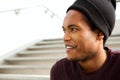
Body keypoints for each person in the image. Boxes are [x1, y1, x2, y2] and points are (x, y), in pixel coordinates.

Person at [50, 0, 120, 80]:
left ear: (99, 34)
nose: (65, 38)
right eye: (64, 30)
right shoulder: (60, 71)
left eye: (73, 29)